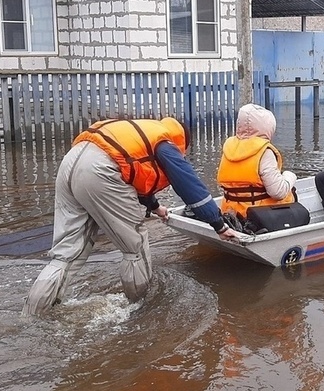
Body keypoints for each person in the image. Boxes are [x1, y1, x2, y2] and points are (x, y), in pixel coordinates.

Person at [21, 117, 237, 317]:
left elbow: (133, 170)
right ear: (181, 141)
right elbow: (189, 185)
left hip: (71, 162)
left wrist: (155, 207)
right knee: (134, 246)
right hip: (101, 170)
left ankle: (33, 314)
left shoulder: (140, 132)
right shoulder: (166, 143)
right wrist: (218, 224)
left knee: (66, 254)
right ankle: (139, 307)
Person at [217, 103, 297, 219]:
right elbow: (278, 192)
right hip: (259, 215)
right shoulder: (264, 151)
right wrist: (289, 176)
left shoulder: (229, 148)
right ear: (268, 127)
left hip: (231, 211)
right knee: (291, 191)